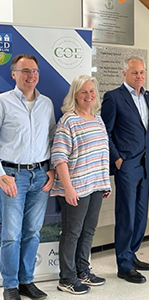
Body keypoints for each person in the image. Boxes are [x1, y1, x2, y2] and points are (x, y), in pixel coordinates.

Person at [0, 54, 56, 300]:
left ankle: (26, 281)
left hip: (41, 175)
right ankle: (10, 285)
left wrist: (52, 170)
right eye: (25, 71)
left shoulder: (47, 104)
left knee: (33, 231)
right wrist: (2, 175)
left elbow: (53, 138)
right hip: (12, 175)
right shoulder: (3, 102)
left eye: (34, 71)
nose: (30, 75)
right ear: (13, 74)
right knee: (12, 233)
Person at [51, 75, 111, 295]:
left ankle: (83, 271)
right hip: (75, 186)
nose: (89, 95)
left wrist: (104, 183)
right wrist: (68, 188)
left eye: (92, 91)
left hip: (95, 186)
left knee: (88, 231)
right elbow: (59, 157)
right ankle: (66, 278)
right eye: (83, 92)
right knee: (72, 233)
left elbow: (103, 154)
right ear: (75, 95)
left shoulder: (97, 119)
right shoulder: (68, 120)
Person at [101, 56, 149, 284]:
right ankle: (123, 264)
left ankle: (131, 254)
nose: (139, 76)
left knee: (141, 214)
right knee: (127, 214)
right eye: (135, 73)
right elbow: (106, 131)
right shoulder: (113, 97)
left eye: (142, 72)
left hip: (144, 165)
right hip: (126, 165)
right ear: (124, 74)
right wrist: (118, 159)